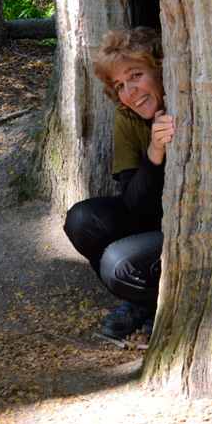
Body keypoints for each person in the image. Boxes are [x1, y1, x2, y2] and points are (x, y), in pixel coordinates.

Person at [63, 26, 175, 341]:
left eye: (136, 75)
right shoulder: (127, 118)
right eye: (120, 85)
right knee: (81, 220)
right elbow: (134, 204)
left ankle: (161, 303)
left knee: (118, 263)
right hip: (151, 218)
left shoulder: (192, 106)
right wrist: (155, 151)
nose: (130, 92)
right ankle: (144, 303)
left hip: (193, 228)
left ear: (161, 69)